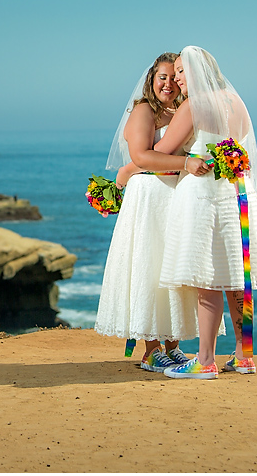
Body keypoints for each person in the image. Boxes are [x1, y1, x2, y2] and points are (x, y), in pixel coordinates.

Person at [152, 46, 257, 379]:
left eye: (182, 70)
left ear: (199, 70)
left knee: (206, 280)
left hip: (204, 201)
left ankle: (206, 360)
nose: (178, 78)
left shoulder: (194, 106)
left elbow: (161, 152)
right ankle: (244, 356)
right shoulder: (236, 102)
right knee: (236, 280)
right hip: (239, 196)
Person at [95, 52, 213, 372]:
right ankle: (150, 349)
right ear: (151, 79)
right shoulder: (144, 111)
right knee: (148, 266)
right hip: (148, 197)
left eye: (174, 78)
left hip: (175, 196)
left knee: (171, 269)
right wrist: (186, 163)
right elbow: (142, 157)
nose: (169, 84)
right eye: (162, 77)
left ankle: (172, 345)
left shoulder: (183, 110)